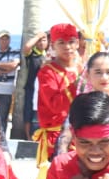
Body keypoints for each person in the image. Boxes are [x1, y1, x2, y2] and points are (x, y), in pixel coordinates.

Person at [34, 23, 81, 164]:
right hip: (57, 137)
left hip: (82, 136)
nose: (67, 47)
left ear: (77, 43)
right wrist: (78, 84)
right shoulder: (47, 72)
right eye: (61, 43)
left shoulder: (82, 68)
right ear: (53, 45)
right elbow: (56, 105)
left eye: (71, 42)